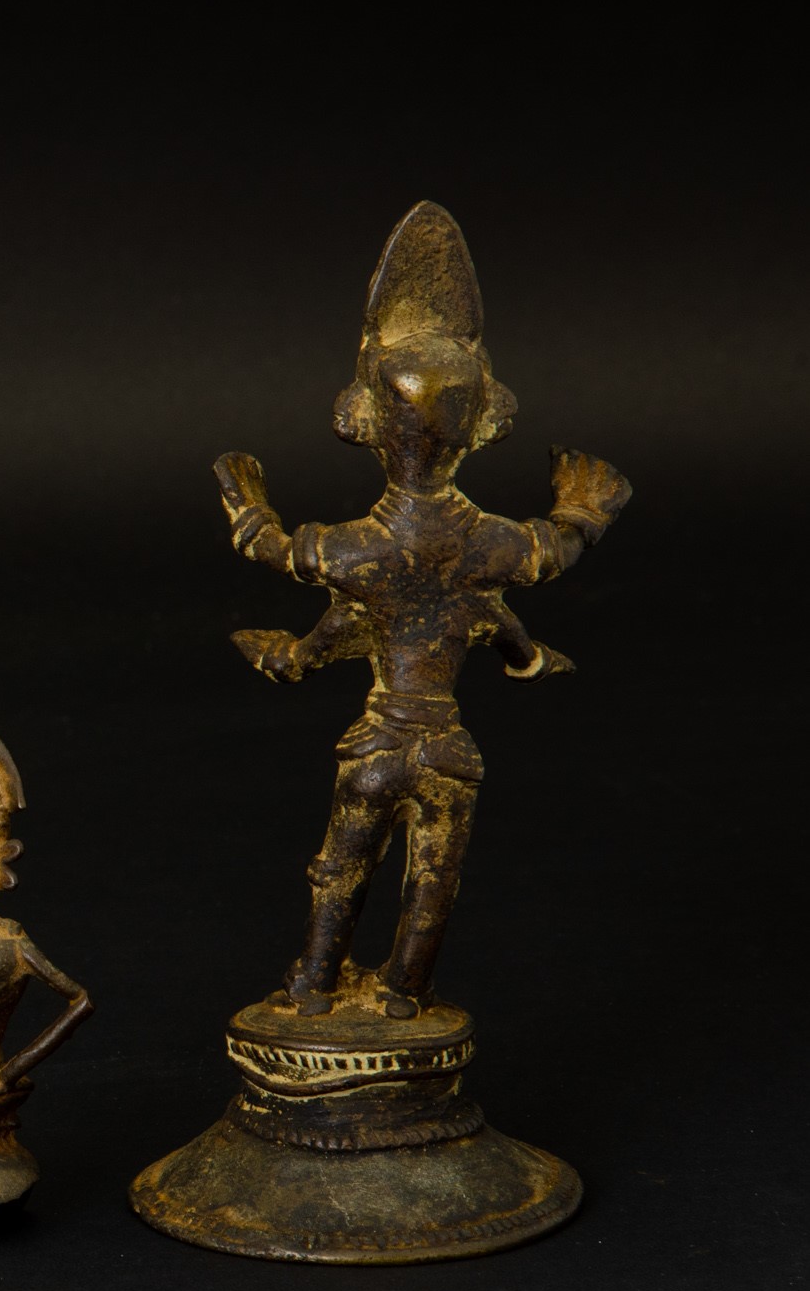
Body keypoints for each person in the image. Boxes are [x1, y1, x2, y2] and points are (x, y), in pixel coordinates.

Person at [215, 202, 631, 1018]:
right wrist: (588, 508)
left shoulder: (359, 551)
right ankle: (406, 993)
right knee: (433, 883)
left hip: (377, 746)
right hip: (449, 751)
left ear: (364, 422)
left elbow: (279, 552)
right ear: (483, 425)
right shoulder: (489, 549)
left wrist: (243, 498)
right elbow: (548, 556)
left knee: (340, 870)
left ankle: (312, 986)